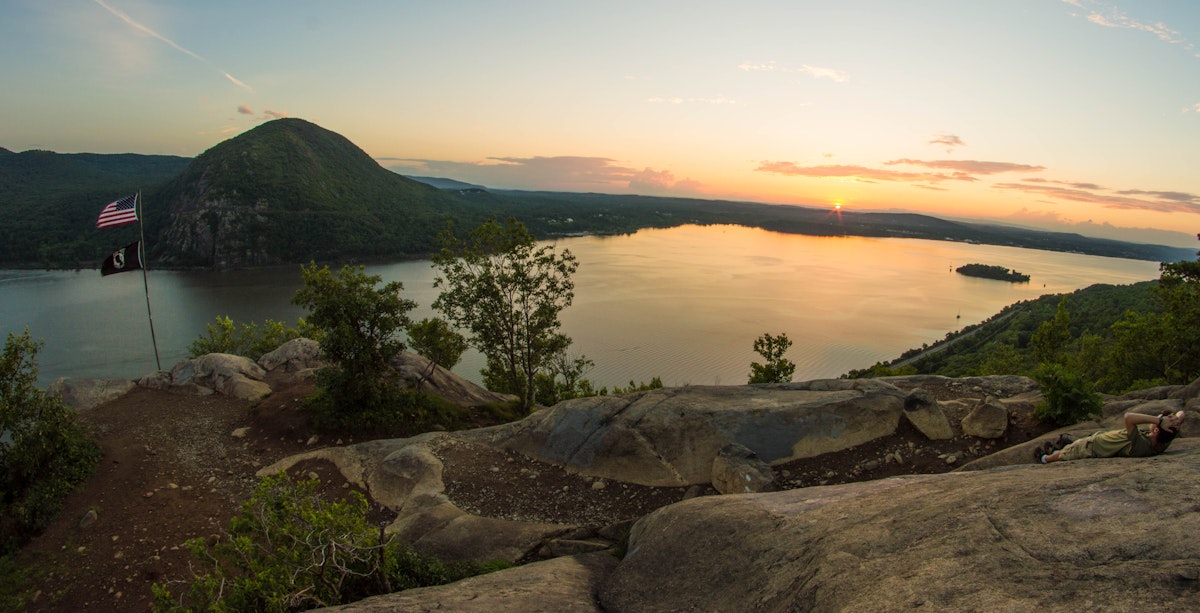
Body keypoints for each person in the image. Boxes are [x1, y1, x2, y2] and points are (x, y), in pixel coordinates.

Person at [1037, 410, 1184, 464]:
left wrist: (1159, 421)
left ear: (1157, 430)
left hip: (1091, 447)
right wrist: (1172, 421)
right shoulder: (1164, 441)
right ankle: (1063, 447)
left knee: (1065, 454)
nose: (1160, 417)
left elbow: (1129, 417)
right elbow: (1181, 413)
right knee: (1070, 446)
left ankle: (1045, 458)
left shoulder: (1142, 444)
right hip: (1099, 442)